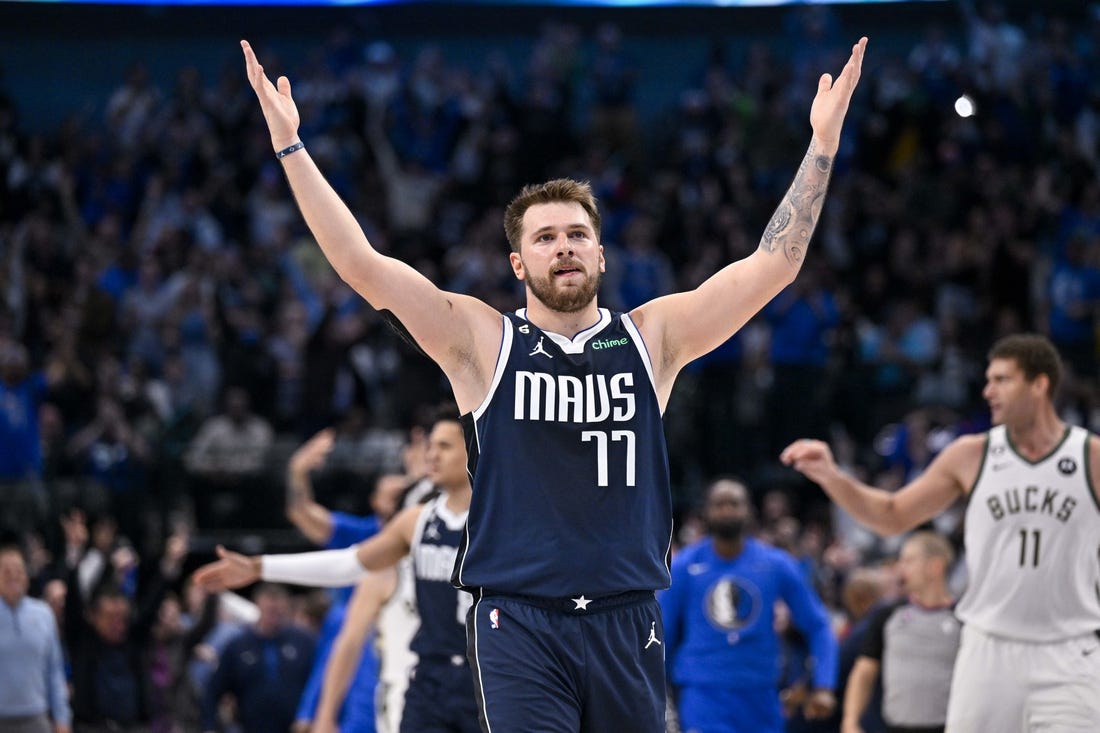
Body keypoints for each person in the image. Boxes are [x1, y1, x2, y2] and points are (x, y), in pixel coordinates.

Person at [232, 34, 866, 733]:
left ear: (600, 250)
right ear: (516, 261)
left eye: (576, 233)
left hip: (629, 619)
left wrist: (822, 144)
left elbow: (771, 267)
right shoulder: (482, 341)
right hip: (521, 620)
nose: (563, 245)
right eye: (544, 237)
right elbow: (362, 264)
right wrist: (291, 146)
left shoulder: (652, 337)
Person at [782, 333, 1100, 731]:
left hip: (1069, 650)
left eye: (1002, 380)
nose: (988, 391)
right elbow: (892, 514)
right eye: (988, 379)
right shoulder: (971, 454)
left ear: (1040, 385)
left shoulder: (1090, 458)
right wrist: (832, 475)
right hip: (989, 648)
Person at [194, 405, 477, 733]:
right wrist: (260, 567)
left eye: (444, 446)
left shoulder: (497, 521)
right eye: (430, 446)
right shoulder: (416, 522)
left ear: (471, 450)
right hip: (425, 681)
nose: (432, 455)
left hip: (481, 676)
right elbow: (348, 563)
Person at [659, 479, 838, 733]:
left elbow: (818, 625)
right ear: (706, 512)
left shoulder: (777, 564)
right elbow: (661, 634)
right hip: (703, 694)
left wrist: (824, 684)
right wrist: (657, 695)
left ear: (750, 511)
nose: (727, 511)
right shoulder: (684, 566)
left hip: (761, 693)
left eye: (734, 503)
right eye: (719, 504)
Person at [842, 531, 960, 733]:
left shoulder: (964, 618)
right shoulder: (887, 615)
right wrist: (850, 721)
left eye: (909, 561)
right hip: (893, 727)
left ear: (935, 566)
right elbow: (863, 671)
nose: (900, 568)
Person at [200, 583, 316, 733]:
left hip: (296, 726)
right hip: (252, 726)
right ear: (258, 606)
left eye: (278, 611)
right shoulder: (239, 646)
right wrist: (209, 727)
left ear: (286, 608)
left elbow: (320, 683)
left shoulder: (303, 641)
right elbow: (213, 690)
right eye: (270, 610)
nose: (274, 615)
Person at [0, 542, 72, 733]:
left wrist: (62, 719)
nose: (13, 575)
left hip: (35, 717)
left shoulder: (43, 614)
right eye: (6, 570)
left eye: (18, 570)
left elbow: (54, 671)